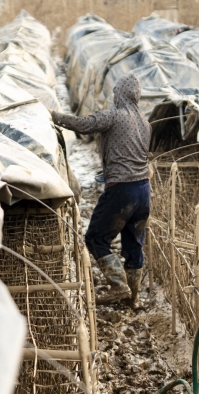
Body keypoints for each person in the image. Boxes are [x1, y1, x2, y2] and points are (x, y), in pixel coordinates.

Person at [50, 74, 151, 304]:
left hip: (122, 191)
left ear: (120, 94)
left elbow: (85, 125)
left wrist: (55, 117)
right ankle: (134, 299)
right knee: (134, 243)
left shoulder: (114, 116)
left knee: (96, 237)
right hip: (144, 191)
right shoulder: (146, 124)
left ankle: (118, 286)